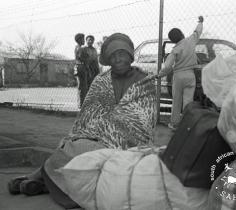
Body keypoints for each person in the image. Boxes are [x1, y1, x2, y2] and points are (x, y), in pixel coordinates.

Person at [8, 33, 157, 209]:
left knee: (84, 151)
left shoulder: (144, 82)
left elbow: (143, 118)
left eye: (122, 54)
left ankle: (40, 179)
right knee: (72, 145)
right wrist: (100, 128)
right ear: (108, 59)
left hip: (128, 142)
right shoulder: (101, 81)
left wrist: (111, 126)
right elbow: (90, 114)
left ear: (130, 56)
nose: (118, 59)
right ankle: (42, 181)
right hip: (94, 134)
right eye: (113, 56)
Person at [156, 16, 204, 130]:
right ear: (182, 34)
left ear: (172, 41)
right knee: (188, 101)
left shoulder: (175, 50)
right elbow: (197, 32)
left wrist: (159, 75)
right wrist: (200, 23)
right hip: (190, 75)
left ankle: (174, 124)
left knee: (176, 100)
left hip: (178, 76)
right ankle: (188, 125)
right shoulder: (191, 40)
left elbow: (167, 66)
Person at [73, 33, 89, 108]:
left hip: (78, 67)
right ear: (79, 40)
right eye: (83, 39)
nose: (84, 40)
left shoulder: (77, 47)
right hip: (81, 67)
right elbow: (83, 58)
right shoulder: (80, 48)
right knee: (83, 86)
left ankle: (81, 103)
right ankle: (81, 104)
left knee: (81, 86)